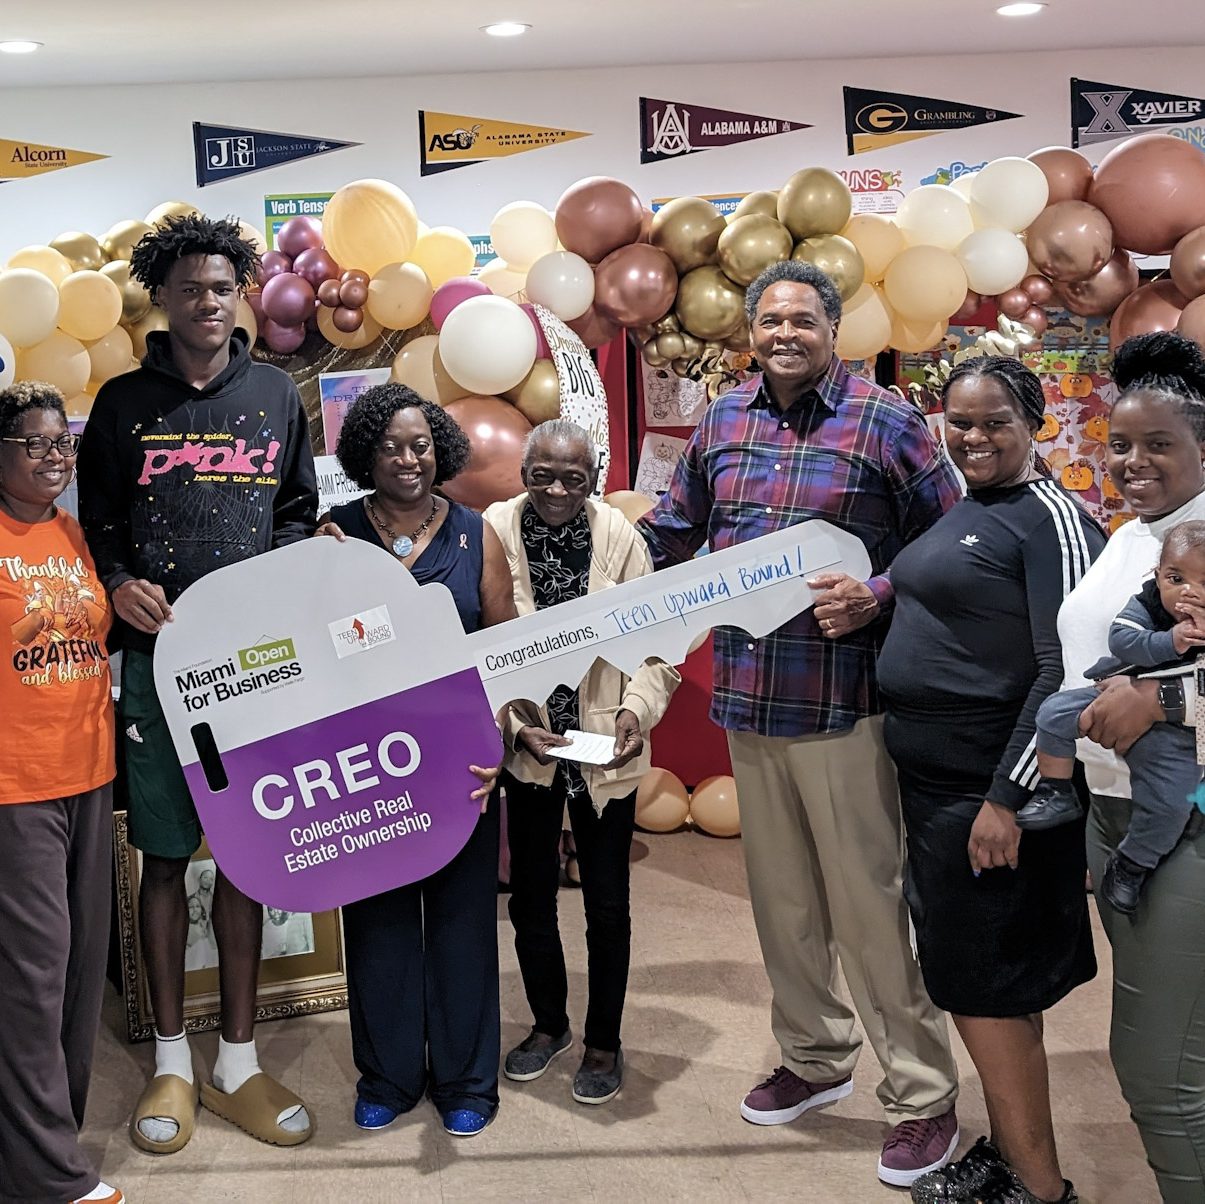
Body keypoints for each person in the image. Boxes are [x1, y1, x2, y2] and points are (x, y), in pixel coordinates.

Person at [637, 260, 962, 1189]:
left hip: (843, 704)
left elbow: (950, 542)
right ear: (751, 333)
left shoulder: (886, 421)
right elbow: (672, 529)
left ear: (833, 328)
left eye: (801, 319)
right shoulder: (723, 420)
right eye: (769, 320)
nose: (784, 333)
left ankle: (920, 1093)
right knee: (782, 909)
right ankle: (815, 1059)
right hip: (749, 696)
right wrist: (602, 570)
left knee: (868, 909)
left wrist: (881, 592)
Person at [77, 214, 318, 1154]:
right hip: (153, 670)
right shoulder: (120, 401)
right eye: (190, 289)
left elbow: (298, 513)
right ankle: (174, 1061)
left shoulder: (276, 395)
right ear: (162, 298)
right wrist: (114, 579)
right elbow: (96, 519)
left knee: (250, 859)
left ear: (240, 294)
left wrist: (289, 580)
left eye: (223, 287)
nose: (208, 302)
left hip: (253, 672)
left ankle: (239, 1062)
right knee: (165, 862)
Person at [877, 357, 1103, 1204]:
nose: (972, 437)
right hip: (939, 791)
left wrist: (1006, 798)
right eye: (958, 421)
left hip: (988, 794)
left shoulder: (1051, 516)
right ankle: (1011, 1157)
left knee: (980, 992)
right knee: (994, 989)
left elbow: (1067, 670)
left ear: (1035, 421)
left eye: (993, 421)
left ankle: (1041, 1191)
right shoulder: (975, 506)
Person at [316, 381, 515, 1137]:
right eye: (392, 445)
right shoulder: (332, 535)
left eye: (421, 443)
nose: (407, 458)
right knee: (379, 922)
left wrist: (497, 741)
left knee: (462, 922)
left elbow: (503, 647)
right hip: (367, 767)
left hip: (458, 763)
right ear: (366, 453)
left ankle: (467, 1081)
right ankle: (388, 1076)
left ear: (442, 450)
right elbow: (309, 653)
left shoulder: (475, 532)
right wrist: (321, 576)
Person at [483, 419, 680, 1105]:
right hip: (532, 747)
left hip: (605, 749)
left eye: (573, 476)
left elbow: (658, 643)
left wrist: (637, 711)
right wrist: (512, 726)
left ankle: (603, 1041)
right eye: (543, 475)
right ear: (522, 473)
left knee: (607, 905)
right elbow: (477, 643)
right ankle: (548, 1026)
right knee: (531, 900)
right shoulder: (495, 528)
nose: (557, 490)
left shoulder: (618, 535)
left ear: (593, 477)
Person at [1057, 332, 1205, 1201]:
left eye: (1159, 445)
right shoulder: (1131, 538)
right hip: (1109, 808)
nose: (1133, 462)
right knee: (1187, 1044)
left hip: (1183, 818)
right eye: (1120, 444)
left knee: (1156, 1071)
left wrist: (1164, 703)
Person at [0, 382, 121, 1204]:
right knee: (33, 976)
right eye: (35, 443)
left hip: (90, 773)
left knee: (79, 971)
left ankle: (40, 1143)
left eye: (62, 443)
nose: (54, 457)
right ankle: (46, 1177)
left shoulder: (71, 531)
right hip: (16, 785)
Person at [1024, 519, 1205, 913]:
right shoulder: (1147, 598)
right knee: (1053, 713)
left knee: (1170, 804)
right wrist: (1169, 642)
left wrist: (1163, 702)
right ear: (1156, 575)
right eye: (1175, 578)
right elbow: (1122, 639)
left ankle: (1133, 864)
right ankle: (1056, 790)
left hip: (1180, 737)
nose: (1188, 592)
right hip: (1109, 718)